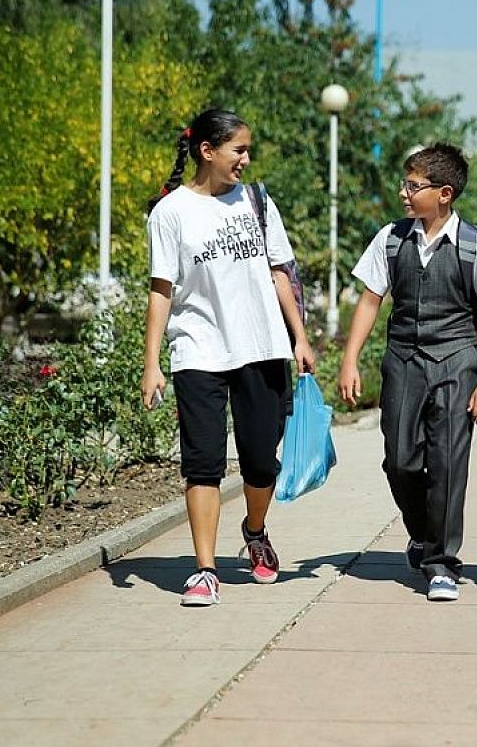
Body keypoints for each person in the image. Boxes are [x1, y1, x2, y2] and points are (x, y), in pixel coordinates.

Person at [141, 109, 315, 607]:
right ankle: (205, 569)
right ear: (207, 151)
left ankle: (255, 529)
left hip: (262, 346)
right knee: (203, 463)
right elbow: (160, 289)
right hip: (197, 349)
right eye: (238, 149)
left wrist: (300, 338)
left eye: (247, 150)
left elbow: (281, 272)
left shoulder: (257, 201)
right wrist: (151, 362)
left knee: (262, 462)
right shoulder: (170, 212)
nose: (246, 159)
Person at [338, 143, 477, 603]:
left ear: (445, 193)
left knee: (450, 464)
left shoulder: (475, 245)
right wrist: (350, 359)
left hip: (457, 361)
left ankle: (441, 564)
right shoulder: (392, 238)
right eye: (406, 183)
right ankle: (422, 533)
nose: (404, 193)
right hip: (403, 360)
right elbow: (371, 299)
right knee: (400, 459)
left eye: (414, 186)